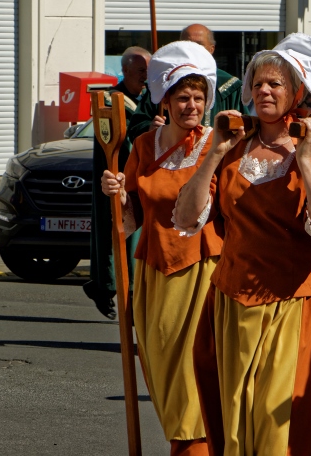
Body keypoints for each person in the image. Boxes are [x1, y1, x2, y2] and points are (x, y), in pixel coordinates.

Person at [174, 33, 311, 456]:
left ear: (296, 93)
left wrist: (305, 160)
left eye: (274, 84)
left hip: (292, 303)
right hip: (232, 301)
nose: (264, 91)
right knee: (233, 420)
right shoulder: (233, 150)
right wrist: (214, 154)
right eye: (257, 84)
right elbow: (184, 218)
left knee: (276, 430)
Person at [100, 41, 222, 456]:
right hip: (153, 273)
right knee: (159, 369)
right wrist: (116, 194)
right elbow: (130, 218)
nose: (193, 106)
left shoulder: (216, 146)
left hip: (203, 270)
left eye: (199, 97)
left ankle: (194, 450)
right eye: (183, 97)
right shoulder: (142, 148)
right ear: (165, 101)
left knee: (191, 373)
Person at [84, 46, 151, 319]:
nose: (145, 77)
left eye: (149, 71)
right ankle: (108, 287)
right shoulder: (113, 101)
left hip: (140, 180)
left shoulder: (150, 99)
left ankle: (132, 293)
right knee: (116, 234)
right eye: (140, 71)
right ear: (124, 71)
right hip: (116, 177)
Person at [127, 25, 243, 143]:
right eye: (187, 44)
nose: (192, 50)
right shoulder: (164, 83)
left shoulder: (231, 87)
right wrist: (150, 129)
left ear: (211, 49)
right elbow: (136, 126)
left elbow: (246, 130)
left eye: (199, 45)